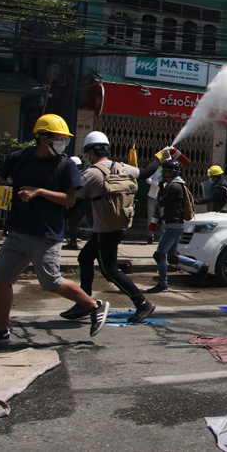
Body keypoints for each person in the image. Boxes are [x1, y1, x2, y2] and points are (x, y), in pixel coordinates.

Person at [0, 115, 109, 343]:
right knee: (2, 278)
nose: (63, 141)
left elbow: (70, 200)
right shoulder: (19, 158)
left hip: (45, 234)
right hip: (17, 231)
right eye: (59, 137)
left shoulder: (65, 165)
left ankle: (95, 306)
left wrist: (39, 191)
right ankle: (0, 331)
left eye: (64, 137)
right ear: (43, 138)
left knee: (51, 281)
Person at [59, 131, 163, 324]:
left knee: (110, 271)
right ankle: (84, 300)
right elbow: (147, 172)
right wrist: (159, 157)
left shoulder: (91, 173)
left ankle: (142, 302)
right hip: (119, 225)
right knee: (84, 257)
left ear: (90, 152)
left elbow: (71, 201)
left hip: (103, 230)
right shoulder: (123, 167)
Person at [146, 160, 208, 293]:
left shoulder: (174, 187)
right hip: (174, 224)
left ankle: (162, 284)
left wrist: (161, 186)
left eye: (166, 172)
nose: (163, 174)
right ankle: (201, 267)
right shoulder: (175, 185)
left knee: (159, 255)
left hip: (174, 226)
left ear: (172, 173)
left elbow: (162, 202)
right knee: (172, 257)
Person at [63, 156, 89, 250]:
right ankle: (70, 239)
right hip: (78, 202)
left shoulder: (82, 176)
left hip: (83, 203)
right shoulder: (77, 176)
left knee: (72, 221)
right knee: (69, 220)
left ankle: (73, 243)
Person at [145, 170, 161, 244]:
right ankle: (150, 236)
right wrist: (156, 184)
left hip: (163, 196)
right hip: (153, 195)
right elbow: (148, 179)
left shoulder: (169, 170)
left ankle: (164, 236)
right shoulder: (156, 169)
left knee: (164, 217)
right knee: (151, 217)